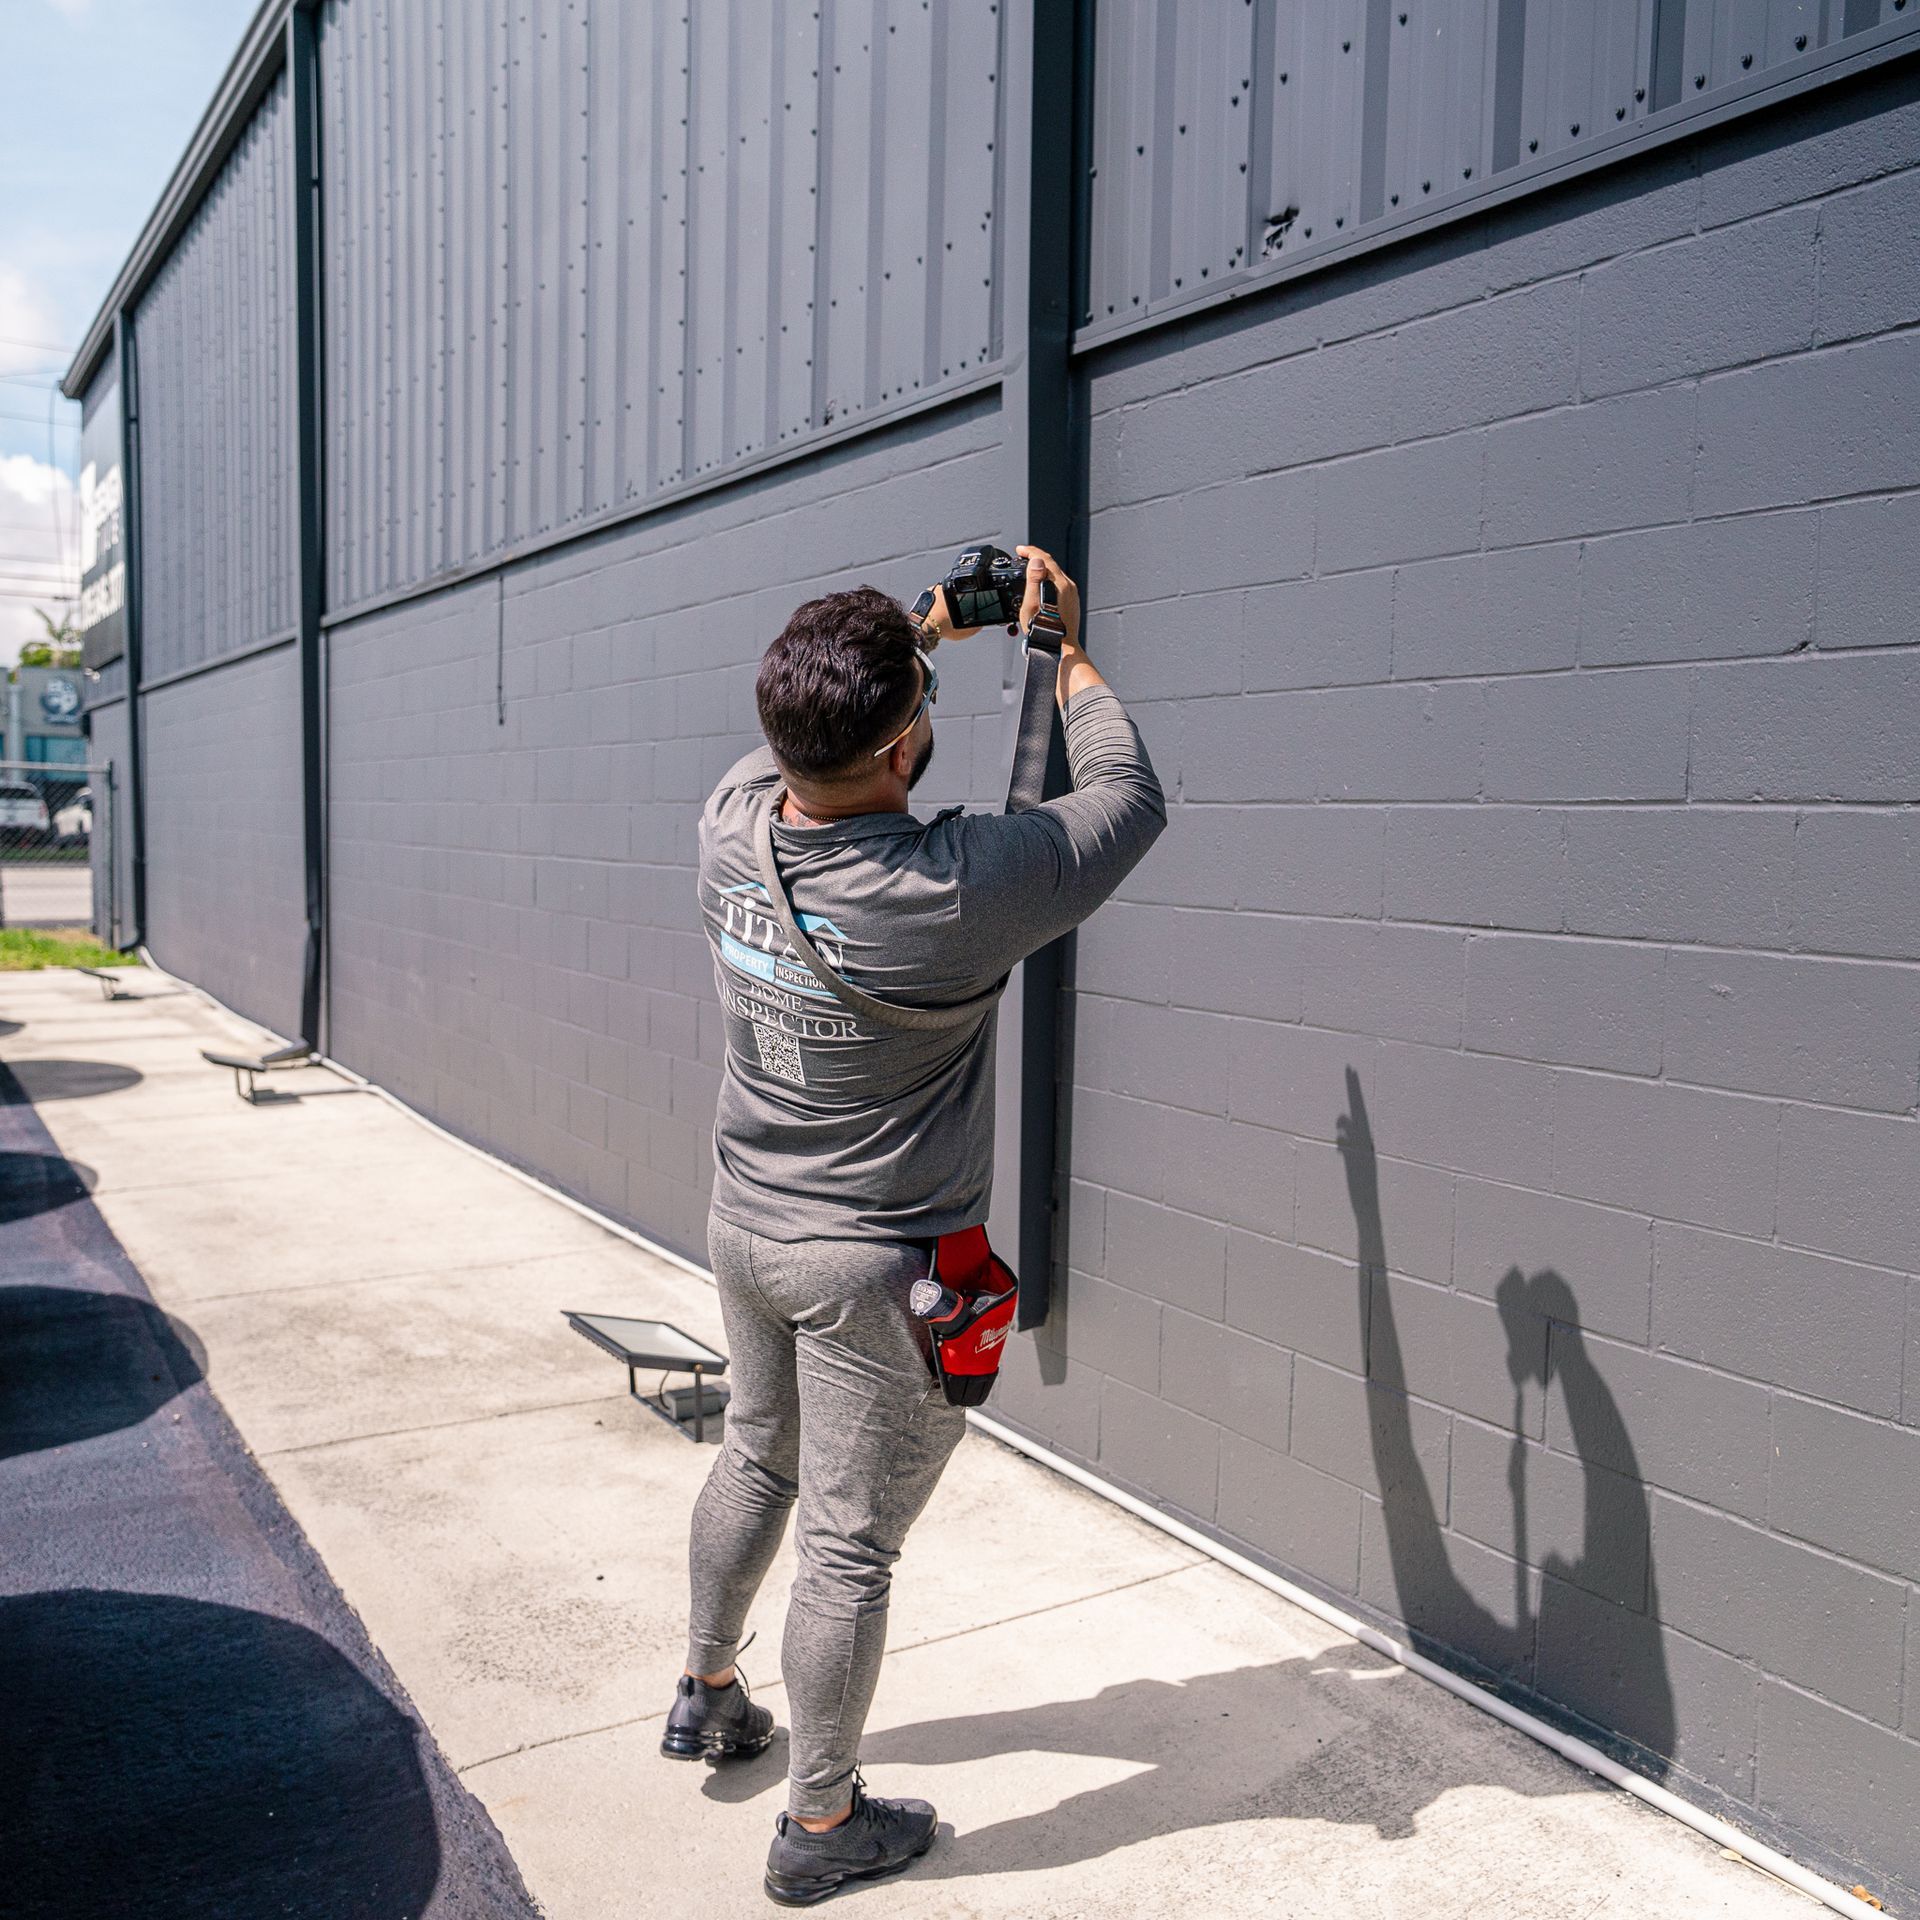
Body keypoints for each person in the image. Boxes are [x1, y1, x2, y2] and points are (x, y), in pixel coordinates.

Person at [663, 544, 1165, 1905]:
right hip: (865, 1265)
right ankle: (821, 1827)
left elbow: (812, 740)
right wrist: (1060, 652)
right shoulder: (956, 889)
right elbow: (1126, 798)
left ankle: (709, 1692)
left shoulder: (730, 817)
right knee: (848, 1541)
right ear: (899, 754)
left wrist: (923, 629)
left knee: (756, 1457)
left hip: (742, 1221)